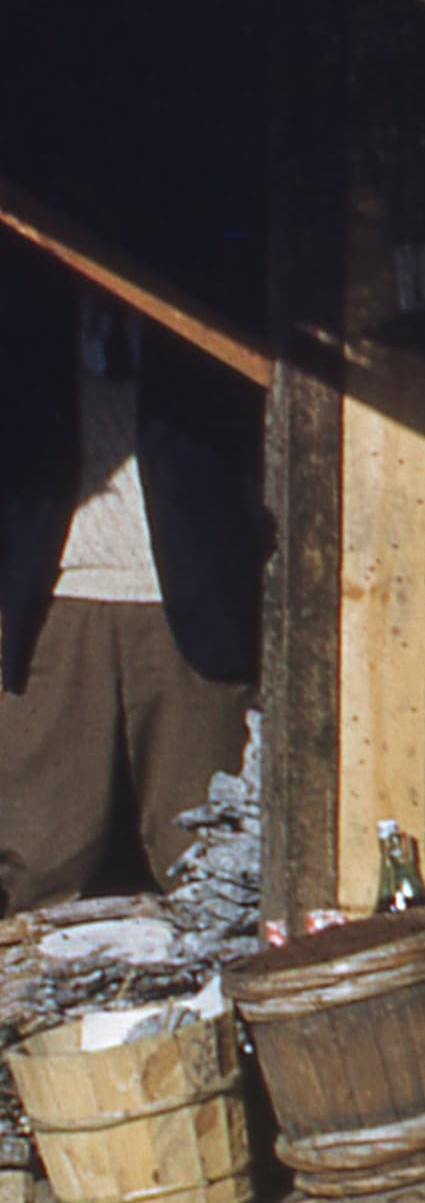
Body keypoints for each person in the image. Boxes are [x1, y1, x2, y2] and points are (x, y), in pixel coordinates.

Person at [0, 289, 262, 913]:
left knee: (203, 850)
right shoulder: (28, 318)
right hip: (56, 604)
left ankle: (212, 1002)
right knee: (39, 853)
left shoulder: (199, 323)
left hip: (191, 610)